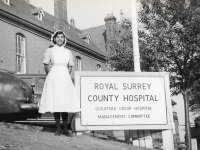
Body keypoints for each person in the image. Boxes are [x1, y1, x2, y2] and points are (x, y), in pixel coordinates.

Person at [39, 30, 80, 136]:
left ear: (64, 39)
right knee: (56, 102)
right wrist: (50, 73)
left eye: (62, 37)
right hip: (54, 77)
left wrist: (66, 75)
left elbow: (70, 67)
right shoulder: (50, 51)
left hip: (65, 78)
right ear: (54, 38)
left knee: (64, 102)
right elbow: (45, 65)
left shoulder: (68, 52)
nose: (60, 39)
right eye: (58, 37)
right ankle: (58, 129)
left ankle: (65, 129)